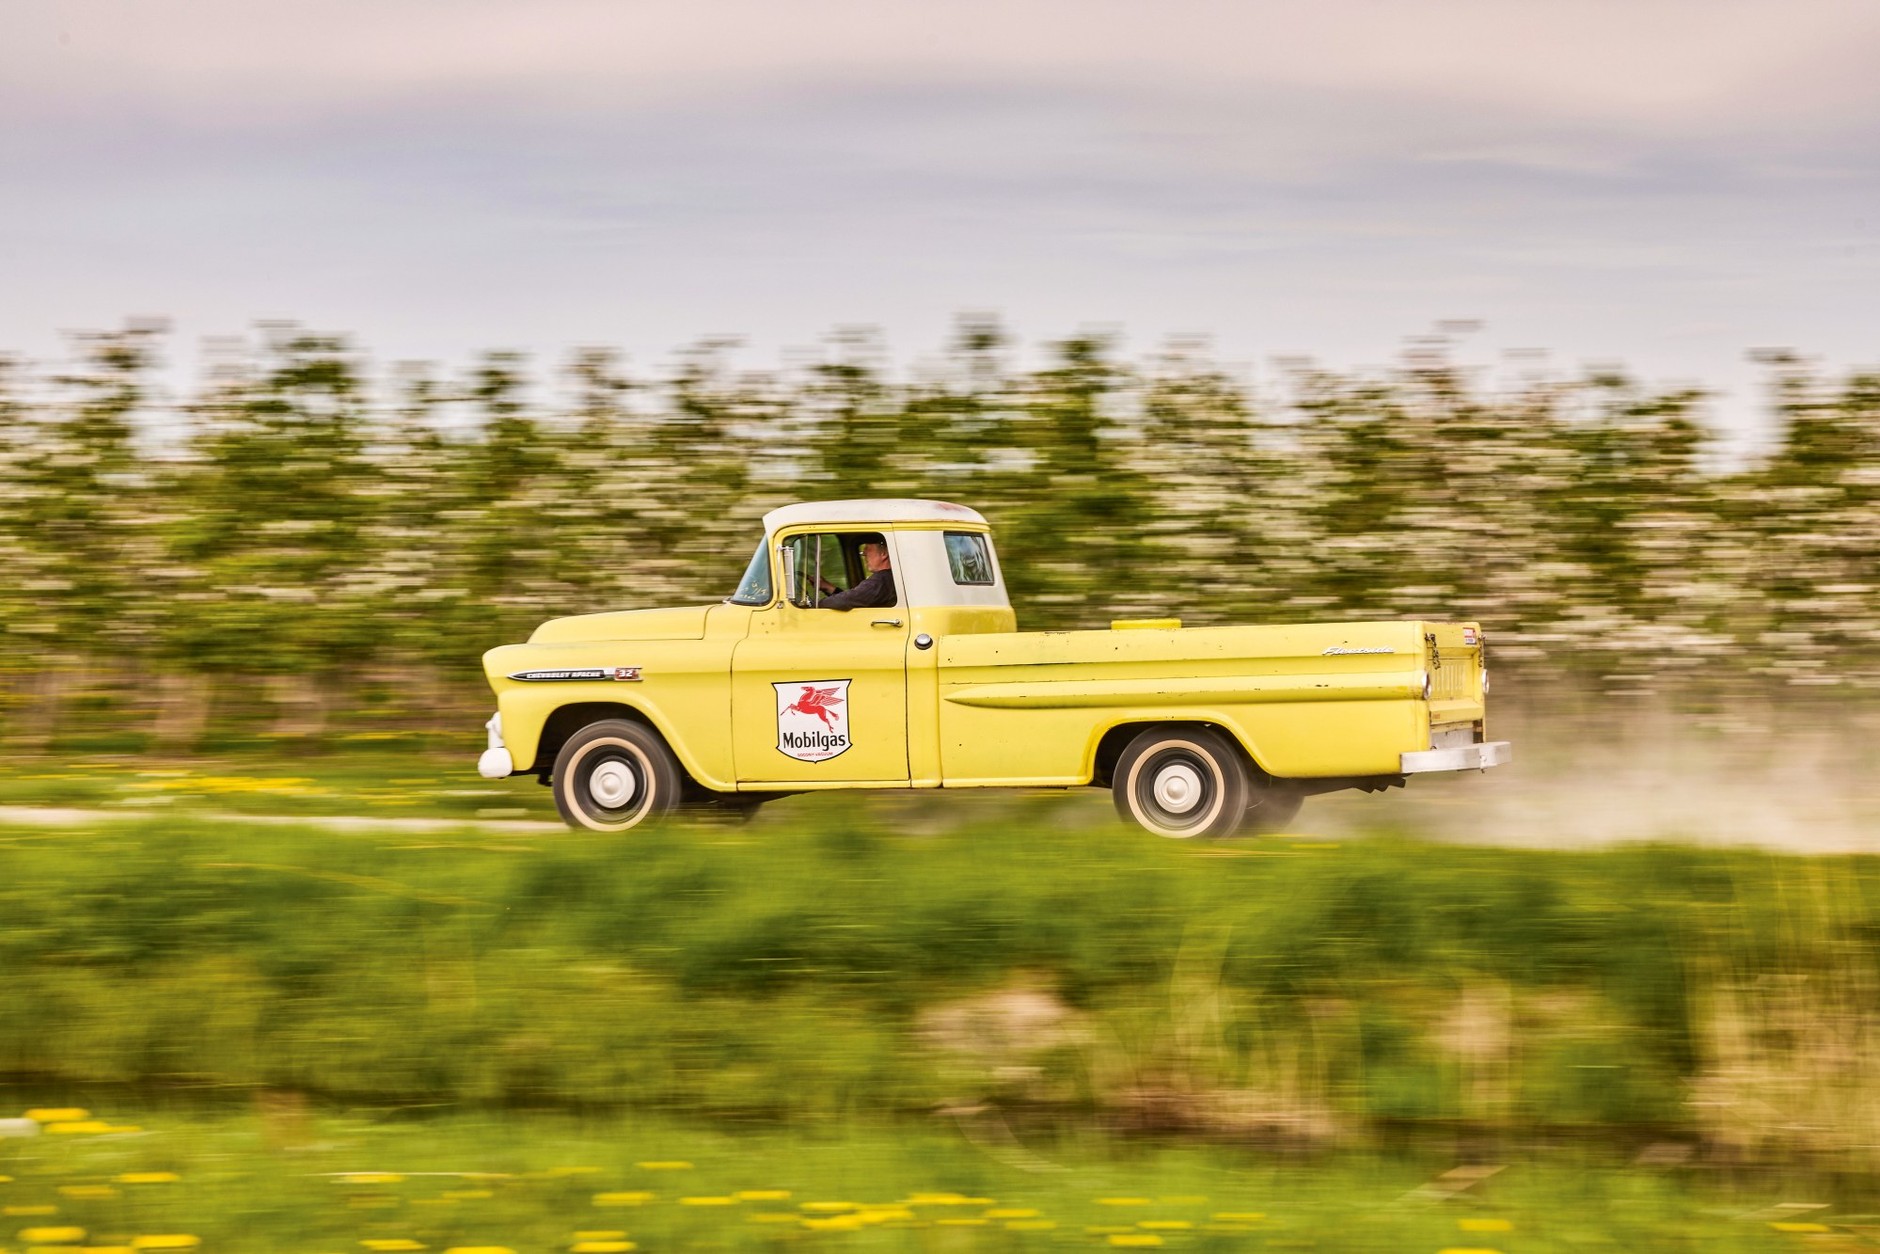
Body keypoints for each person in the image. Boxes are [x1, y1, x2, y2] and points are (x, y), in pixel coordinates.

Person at [817, 539, 896, 609]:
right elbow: (855, 598)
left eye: (867, 548)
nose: (863, 553)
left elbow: (845, 601)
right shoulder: (889, 579)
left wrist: (813, 605)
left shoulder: (881, 581)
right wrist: (828, 587)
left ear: (884, 553)